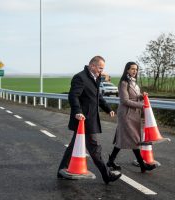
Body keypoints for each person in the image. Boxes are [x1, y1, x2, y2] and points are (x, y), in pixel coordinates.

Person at [57, 56, 121, 184]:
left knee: (73, 146)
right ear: (92, 65)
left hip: (90, 118)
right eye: (100, 68)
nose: (101, 71)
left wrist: (108, 109)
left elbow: (98, 97)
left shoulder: (95, 77)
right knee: (94, 147)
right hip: (84, 119)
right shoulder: (80, 77)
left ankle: (61, 170)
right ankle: (106, 175)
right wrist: (78, 112)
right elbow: (73, 96)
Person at [107, 62, 156, 173]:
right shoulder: (123, 83)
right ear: (127, 70)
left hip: (134, 114)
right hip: (126, 114)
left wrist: (141, 96)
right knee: (134, 139)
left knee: (123, 138)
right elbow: (125, 100)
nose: (135, 71)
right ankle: (143, 165)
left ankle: (111, 161)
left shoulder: (134, 83)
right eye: (132, 69)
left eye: (136, 69)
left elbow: (134, 97)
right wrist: (142, 105)